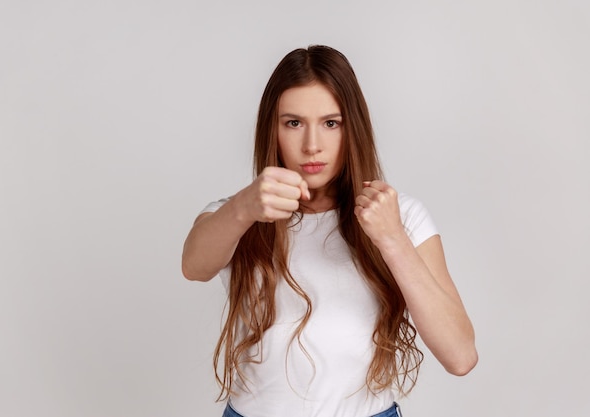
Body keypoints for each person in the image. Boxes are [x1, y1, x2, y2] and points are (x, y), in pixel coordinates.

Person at [182, 45, 477, 417]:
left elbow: (461, 356)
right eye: (293, 123)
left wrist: (392, 239)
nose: (312, 145)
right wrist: (244, 208)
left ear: (352, 127)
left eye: (331, 123)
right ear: (271, 130)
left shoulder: (402, 217)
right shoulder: (240, 213)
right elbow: (194, 266)